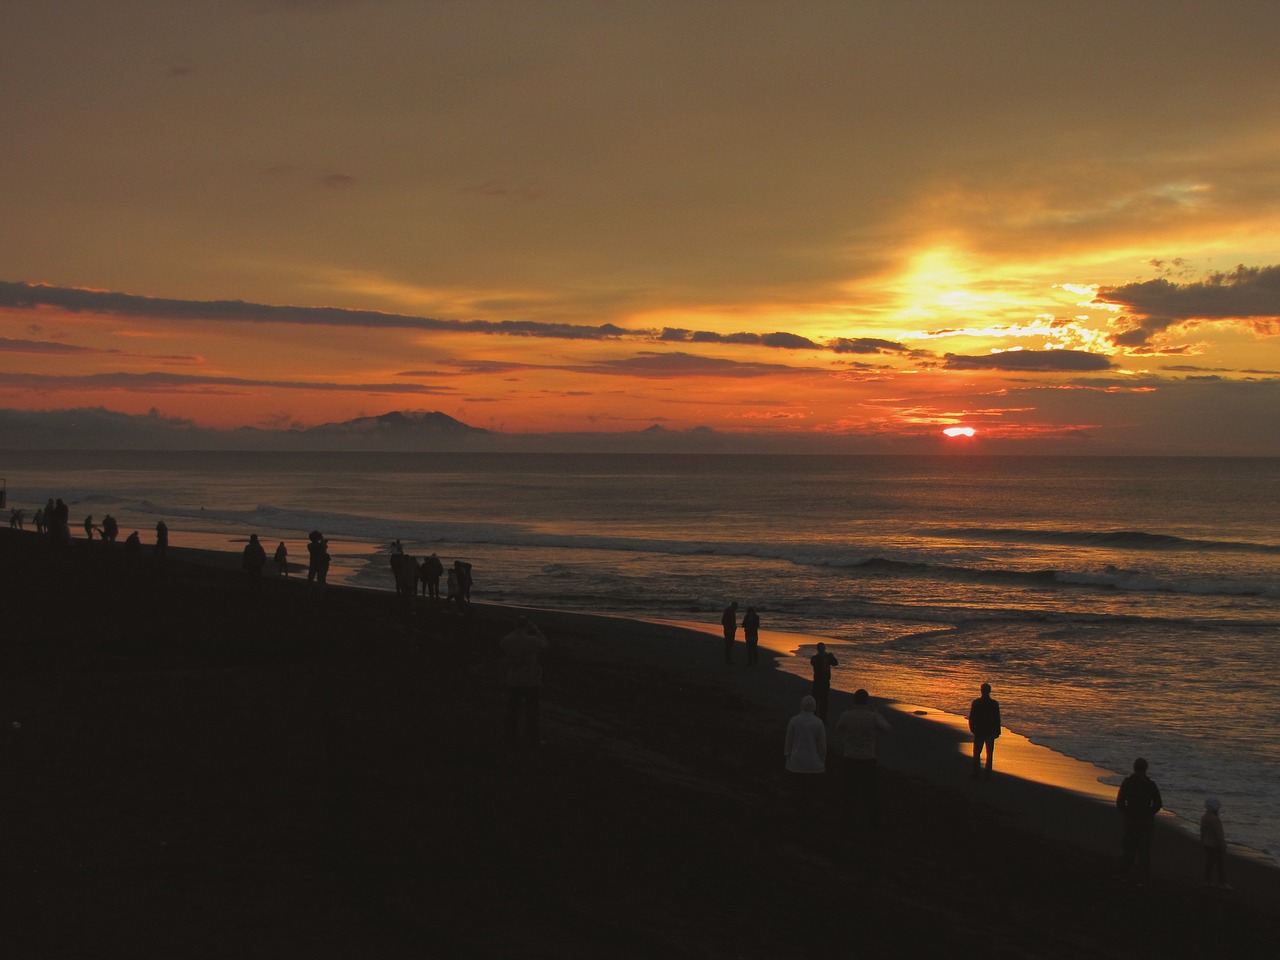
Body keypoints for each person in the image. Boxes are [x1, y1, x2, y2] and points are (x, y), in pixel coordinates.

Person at [835, 688, 890, 831]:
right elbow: (886, 728)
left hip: (850, 757)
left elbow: (839, 726)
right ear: (867, 701)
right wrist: (878, 714)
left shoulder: (847, 715)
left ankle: (847, 821)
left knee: (849, 791)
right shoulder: (872, 717)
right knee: (870, 793)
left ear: (855, 700)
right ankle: (873, 823)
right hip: (867, 758)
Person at [499, 616, 549, 748]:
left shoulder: (507, 639)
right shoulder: (532, 641)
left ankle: (509, 739)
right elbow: (545, 644)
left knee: (512, 711)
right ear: (527, 626)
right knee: (532, 712)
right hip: (531, 681)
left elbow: (504, 651)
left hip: (513, 680)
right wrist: (536, 630)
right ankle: (534, 740)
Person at [1116, 757, 1163, 883]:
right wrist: (1149, 813)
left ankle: (1124, 875)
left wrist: (1128, 812)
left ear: (1134, 767)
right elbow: (1158, 804)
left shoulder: (1127, 783)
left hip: (1131, 820)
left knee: (1129, 848)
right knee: (1144, 851)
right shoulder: (1150, 784)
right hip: (1145, 822)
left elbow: (1120, 802)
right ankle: (1141, 879)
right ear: (1146, 769)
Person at [784, 695, 827, 813]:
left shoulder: (794, 720)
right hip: (814, 764)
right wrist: (822, 759)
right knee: (810, 792)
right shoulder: (818, 723)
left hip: (796, 761)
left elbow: (789, 741)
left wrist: (787, 755)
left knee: (797, 790)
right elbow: (822, 745)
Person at [968, 682, 1002, 779]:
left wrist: (972, 728)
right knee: (989, 753)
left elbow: (972, 717)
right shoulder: (994, 704)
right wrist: (998, 731)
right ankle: (987, 774)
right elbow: (997, 719)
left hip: (979, 730)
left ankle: (976, 773)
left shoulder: (977, 702)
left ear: (981, 691)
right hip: (989, 731)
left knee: (977, 752)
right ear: (989, 691)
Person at [1199, 797, 1230, 889]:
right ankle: (1222, 883)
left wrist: (1202, 841)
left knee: (1209, 863)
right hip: (1215, 845)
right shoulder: (1215, 820)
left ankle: (1207, 881)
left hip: (1207, 844)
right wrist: (1223, 845)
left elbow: (1202, 831)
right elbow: (1219, 834)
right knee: (1220, 864)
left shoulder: (1204, 817)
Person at [810, 642, 838, 722]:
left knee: (824, 700)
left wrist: (831, 657)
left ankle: (823, 718)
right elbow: (814, 663)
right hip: (818, 681)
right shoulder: (815, 658)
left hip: (825, 681)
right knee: (816, 699)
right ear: (818, 649)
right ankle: (815, 716)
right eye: (821, 648)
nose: (822, 649)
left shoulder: (827, 657)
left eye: (823, 648)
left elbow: (835, 663)